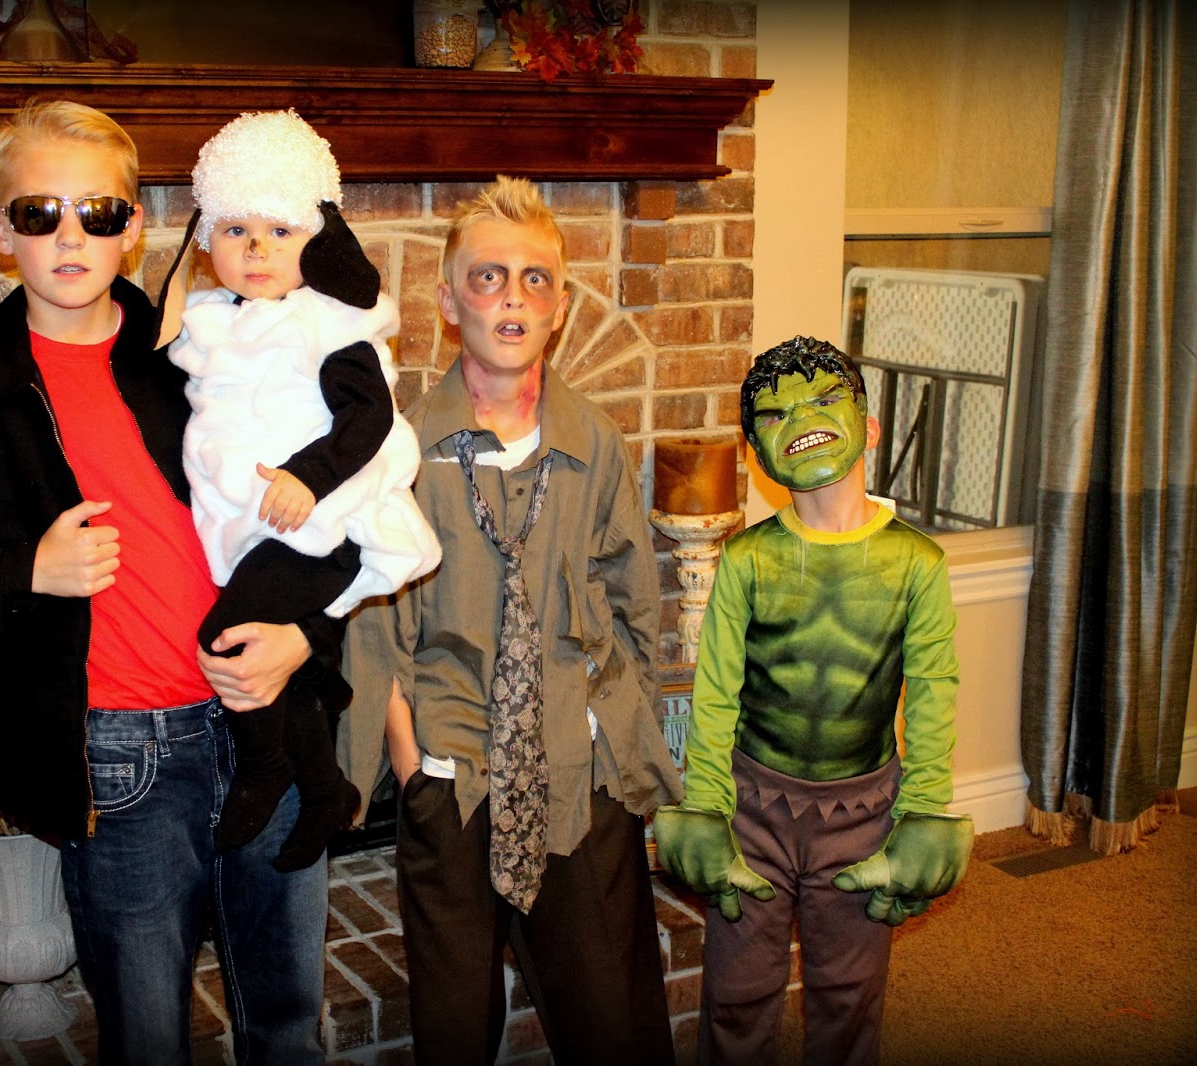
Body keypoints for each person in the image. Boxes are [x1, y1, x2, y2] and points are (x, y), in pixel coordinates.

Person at [0, 100, 333, 1065]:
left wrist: (306, 637)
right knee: (147, 1036)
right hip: (116, 757)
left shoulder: (210, 358)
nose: (71, 236)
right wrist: (26, 570)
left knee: (288, 1024)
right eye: (40, 213)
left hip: (267, 721)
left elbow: (330, 515)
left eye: (98, 213)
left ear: (133, 226)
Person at [341, 175, 682, 1065]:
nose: (513, 298)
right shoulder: (404, 452)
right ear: (450, 303)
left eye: (536, 280)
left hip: (576, 766)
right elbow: (378, 622)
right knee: (454, 1022)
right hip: (453, 769)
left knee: (607, 1013)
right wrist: (411, 763)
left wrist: (621, 728)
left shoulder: (595, 442)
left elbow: (632, 598)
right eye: (488, 278)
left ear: (560, 308)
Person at [654, 336, 972, 1066]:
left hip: (863, 816)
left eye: (824, 400)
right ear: (756, 454)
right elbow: (715, 695)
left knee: (850, 997)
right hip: (751, 811)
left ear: (871, 426)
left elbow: (933, 692)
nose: (801, 419)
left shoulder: (918, 563)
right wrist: (705, 807)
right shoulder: (746, 559)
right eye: (776, 414)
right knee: (736, 994)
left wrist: (925, 810)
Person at [169, 109, 440, 873]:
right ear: (207, 239)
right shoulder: (210, 321)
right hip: (259, 527)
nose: (255, 249)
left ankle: (267, 767)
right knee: (278, 660)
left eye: (279, 231)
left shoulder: (328, 323)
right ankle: (325, 788)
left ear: (315, 240)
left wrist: (307, 479)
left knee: (227, 638)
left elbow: (369, 416)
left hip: (326, 523)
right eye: (235, 230)